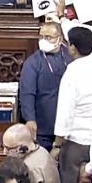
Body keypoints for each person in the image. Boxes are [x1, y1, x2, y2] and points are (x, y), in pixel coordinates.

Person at [53, 26, 92, 183]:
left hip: (76, 142)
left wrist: (57, 144)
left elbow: (65, 111)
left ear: (73, 48)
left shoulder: (73, 72)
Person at [19, 21, 71, 151]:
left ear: (60, 38)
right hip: (44, 126)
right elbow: (27, 93)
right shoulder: (33, 62)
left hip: (68, 126)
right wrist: (30, 119)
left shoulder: (70, 56)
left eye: (48, 37)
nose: (43, 40)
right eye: (41, 37)